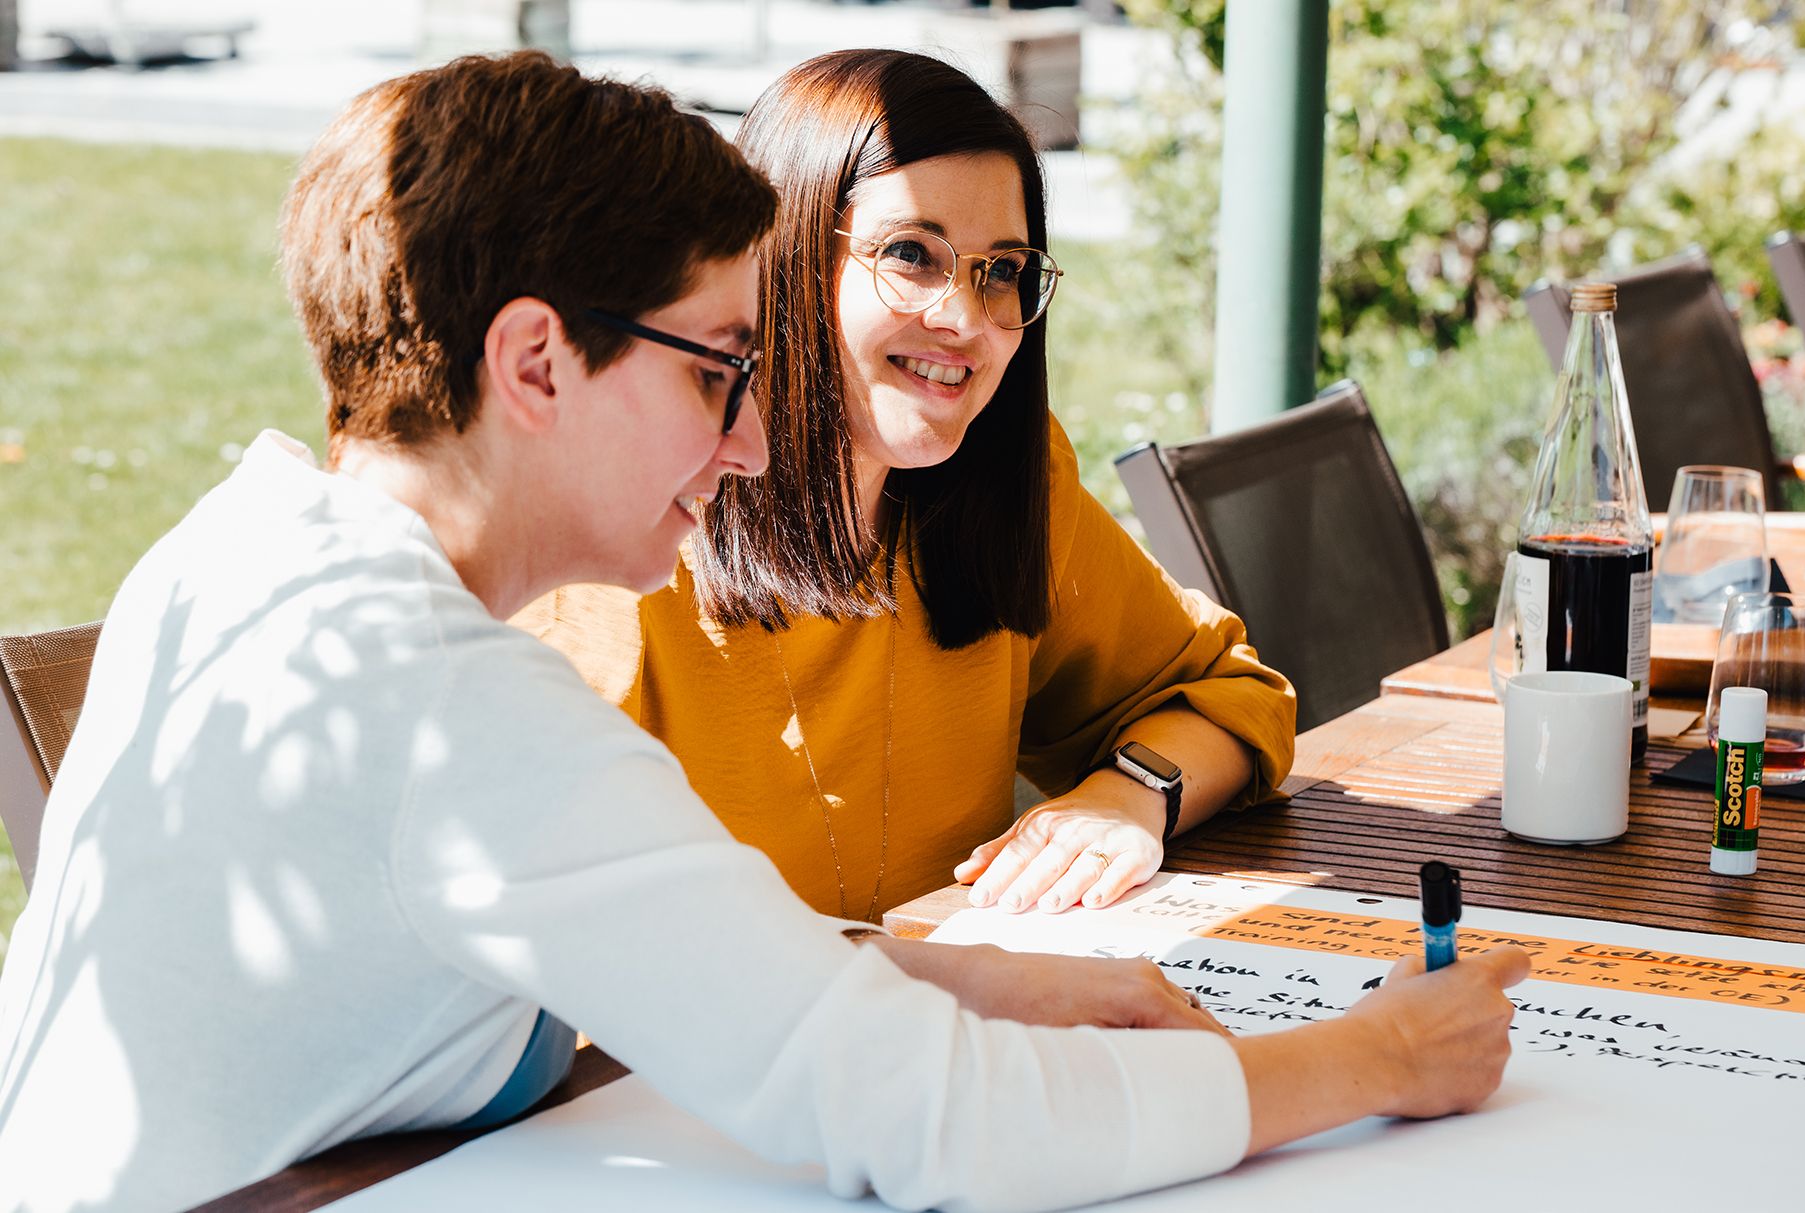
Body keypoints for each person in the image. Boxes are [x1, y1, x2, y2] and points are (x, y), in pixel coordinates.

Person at [0, 51, 1527, 1213]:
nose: (748, 441)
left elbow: (637, 955)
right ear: (535, 361)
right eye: (716, 370)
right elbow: (936, 1124)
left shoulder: (237, 553)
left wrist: (949, 975)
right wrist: (1378, 1058)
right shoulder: (463, 715)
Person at [518, 48, 1298, 924]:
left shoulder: (1005, 482)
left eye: (1002, 270)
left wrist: (1127, 796)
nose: (965, 318)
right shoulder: (618, 562)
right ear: (783, 259)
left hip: (956, 1006)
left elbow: (1234, 697)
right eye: (911, 254)